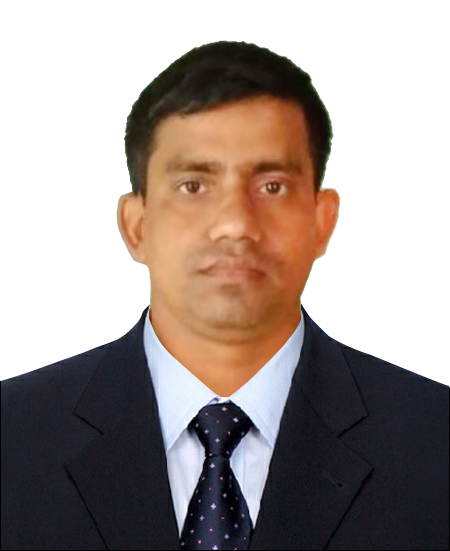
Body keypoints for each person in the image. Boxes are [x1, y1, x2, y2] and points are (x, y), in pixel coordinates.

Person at [1, 41, 448, 551]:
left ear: (322, 221)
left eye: (272, 186)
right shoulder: (12, 438)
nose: (235, 224)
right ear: (136, 225)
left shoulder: (436, 441)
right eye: (194, 186)